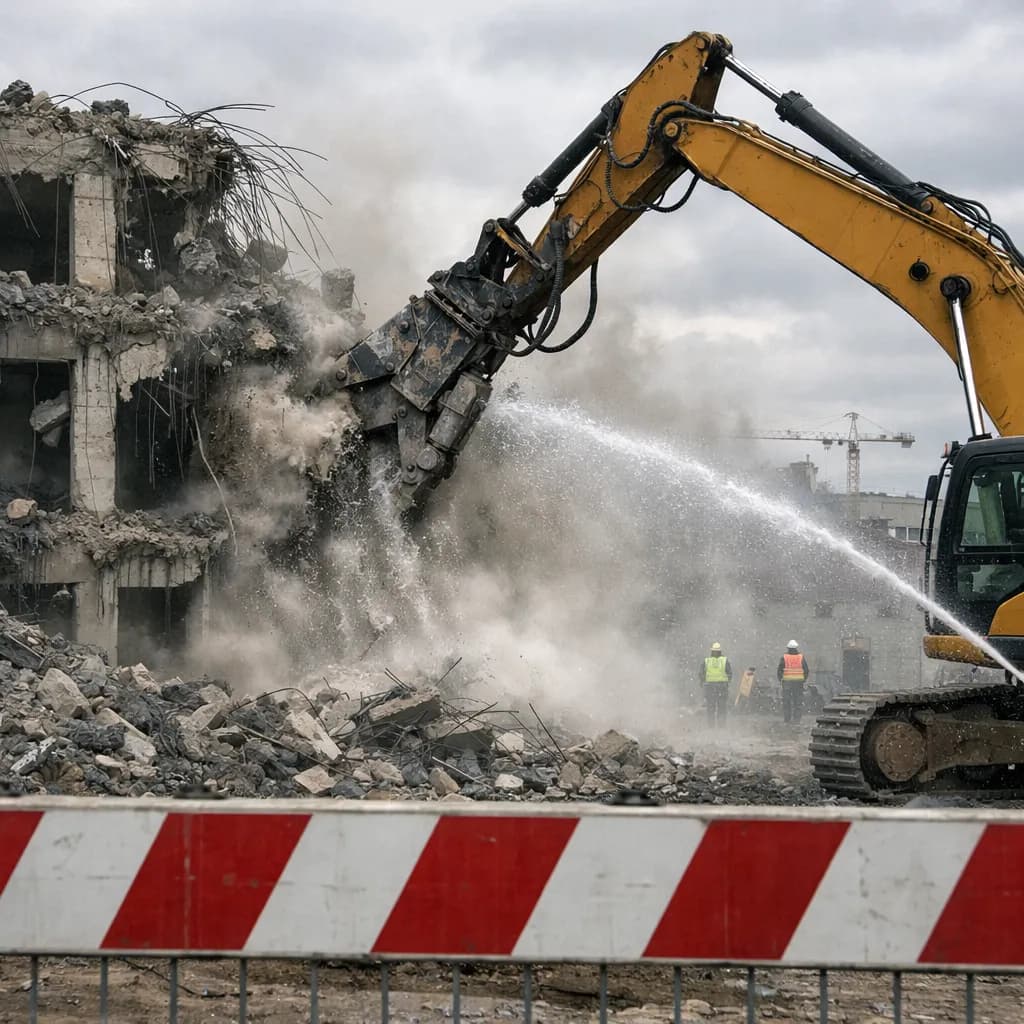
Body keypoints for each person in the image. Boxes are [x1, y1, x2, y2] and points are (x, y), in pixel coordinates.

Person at [699, 641, 732, 727]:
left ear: (711, 651)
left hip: (710, 688)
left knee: (710, 708)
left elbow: (701, 674)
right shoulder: (724, 661)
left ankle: (711, 726)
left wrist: (702, 682)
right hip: (722, 688)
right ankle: (721, 726)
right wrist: (727, 683)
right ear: (720, 651)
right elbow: (730, 673)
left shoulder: (707, 661)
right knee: (722, 708)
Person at [777, 639, 810, 724]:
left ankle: (787, 719)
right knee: (797, 702)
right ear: (796, 648)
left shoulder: (784, 657)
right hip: (798, 684)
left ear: (788, 648)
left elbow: (779, 671)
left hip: (787, 684)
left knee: (787, 702)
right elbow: (806, 670)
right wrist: (803, 680)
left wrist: (781, 680)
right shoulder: (801, 657)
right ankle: (797, 720)